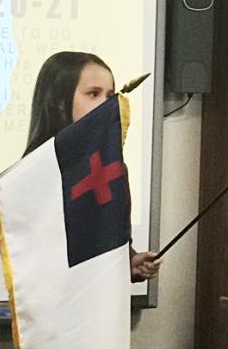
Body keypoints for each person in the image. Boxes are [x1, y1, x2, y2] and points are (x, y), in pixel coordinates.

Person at [24, 51, 160, 282]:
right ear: (59, 102)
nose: (105, 105)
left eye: (109, 96)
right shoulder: (34, 174)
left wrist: (129, 261)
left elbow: (106, 236)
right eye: (93, 94)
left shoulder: (111, 167)